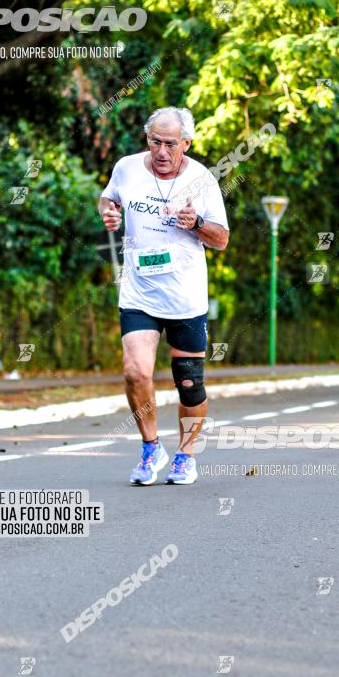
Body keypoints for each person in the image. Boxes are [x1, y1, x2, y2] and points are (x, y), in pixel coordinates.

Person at [98, 106, 229, 485]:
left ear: (186, 143)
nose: (161, 151)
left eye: (170, 143)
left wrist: (198, 223)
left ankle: (186, 455)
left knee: (189, 384)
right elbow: (109, 199)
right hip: (139, 292)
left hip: (185, 296)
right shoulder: (126, 168)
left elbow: (222, 239)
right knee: (135, 371)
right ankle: (151, 447)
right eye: (155, 141)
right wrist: (108, 212)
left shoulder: (202, 180)